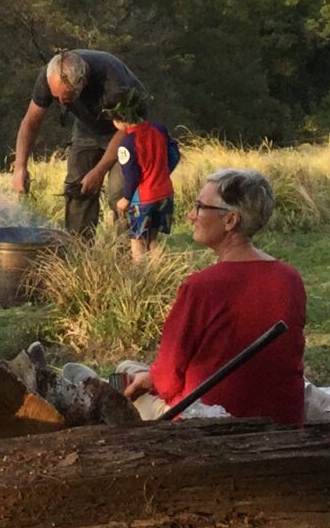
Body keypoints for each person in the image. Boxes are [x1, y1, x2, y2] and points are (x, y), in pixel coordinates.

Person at [126, 168, 306, 423]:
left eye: (200, 207)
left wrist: (152, 378)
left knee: (125, 372)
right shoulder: (290, 278)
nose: (191, 216)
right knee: (138, 372)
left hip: (208, 424)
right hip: (282, 420)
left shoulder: (201, 287)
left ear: (230, 220)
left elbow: (167, 382)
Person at [11, 47, 144, 239]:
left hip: (127, 129)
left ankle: (126, 257)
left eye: (66, 98)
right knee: (78, 188)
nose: (60, 103)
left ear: (83, 82)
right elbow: (30, 123)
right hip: (87, 128)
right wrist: (20, 167)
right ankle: (79, 251)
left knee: (119, 192)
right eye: (56, 97)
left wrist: (98, 171)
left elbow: (126, 128)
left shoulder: (113, 81)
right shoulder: (49, 77)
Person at [108, 92, 178, 259]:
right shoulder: (159, 129)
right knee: (153, 239)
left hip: (144, 198)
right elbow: (174, 154)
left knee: (137, 239)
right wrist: (163, 173)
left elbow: (132, 177)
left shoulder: (126, 144)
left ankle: (141, 277)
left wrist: (125, 198)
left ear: (120, 119)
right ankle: (160, 272)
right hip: (165, 193)